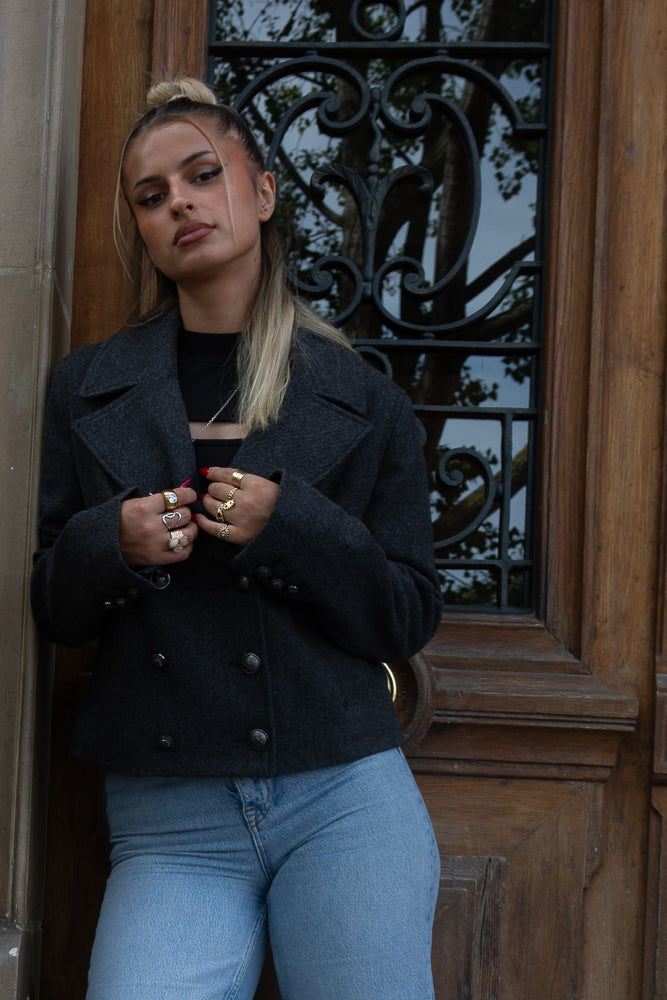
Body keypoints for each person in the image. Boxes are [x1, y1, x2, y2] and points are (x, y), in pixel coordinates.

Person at [31, 77, 443, 1000]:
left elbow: (406, 613)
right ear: (141, 230)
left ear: (260, 193)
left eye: (202, 175)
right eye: (151, 196)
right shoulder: (86, 387)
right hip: (169, 814)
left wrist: (288, 525)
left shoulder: (362, 396)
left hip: (343, 795)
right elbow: (53, 604)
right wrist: (113, 545)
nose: (178, 202)